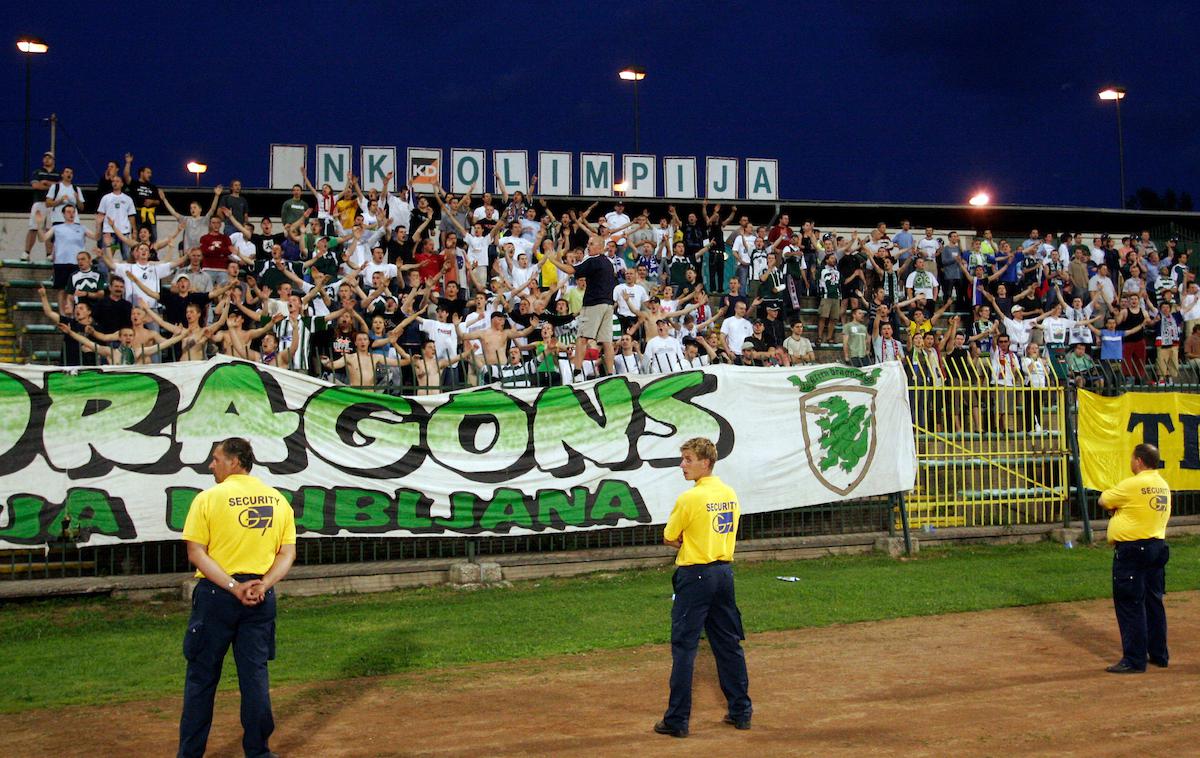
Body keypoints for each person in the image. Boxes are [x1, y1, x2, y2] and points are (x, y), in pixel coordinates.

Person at [178, 437, 297, 758]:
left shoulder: (208, 499)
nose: (210, 465)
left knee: (202, 678)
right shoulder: (277, 500)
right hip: (260, 597)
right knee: (255, 677)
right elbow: (287, 553)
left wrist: (232, 586)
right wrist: (263, 583)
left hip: (217, 595)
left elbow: (196, 552)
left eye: (216, 459)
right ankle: (258, 753)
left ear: (235, 461)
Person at [655, 437, 752, 739]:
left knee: (685, 647)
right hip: (724, 574)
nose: (682, 465)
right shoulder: (729, 493)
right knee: (727, 644)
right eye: (682, 459)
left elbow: (669, 536)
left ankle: (677, 720)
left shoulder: (690, 498)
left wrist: (689, 540)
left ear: (705, 462)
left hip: (695, 575)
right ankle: (741, 712)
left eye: (687, 459)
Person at [1099, 443, 1171, 674]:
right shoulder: (1163, 485)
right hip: (1157, 547)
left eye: (1132, 459)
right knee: (1153, 601)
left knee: (1130, 603)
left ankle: (1134, 659)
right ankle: (1159, 654)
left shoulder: (1133, 484)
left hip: (1132, 551)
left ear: (1139, 461)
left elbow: (1103, 500)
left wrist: (1117, 511)